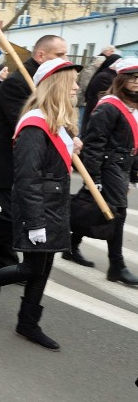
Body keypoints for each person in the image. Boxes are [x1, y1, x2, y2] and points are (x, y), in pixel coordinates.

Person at [0, 58, 83, 350]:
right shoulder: (34, 124)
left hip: (54, 206)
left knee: (43, 270)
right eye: (71, 82)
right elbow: (27, 178)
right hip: (39, 209)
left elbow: (54, 167)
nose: (77, 87)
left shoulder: (56, 124)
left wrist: (73, 145)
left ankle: (28, 322)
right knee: (30, 269)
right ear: (56, 86)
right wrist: (36, 222)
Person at [0, 35, 67, 271]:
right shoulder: (17, 82)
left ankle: (5, 261)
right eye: (60, 55)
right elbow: (26, 124)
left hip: (33, 165)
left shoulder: (46, 82)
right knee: (11, 215)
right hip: (13, 164)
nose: (65, 60)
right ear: (41, 55)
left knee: (12, 215)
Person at [66, 58, 138, 286]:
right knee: (117, 215)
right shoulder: (109, 106)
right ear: (121, 79)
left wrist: (133, 175)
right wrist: (94, 178)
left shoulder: (133, 106)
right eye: (133, 77)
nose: (137, 82)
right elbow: (95, 144)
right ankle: (117, 265)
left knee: (93, 209)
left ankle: (70, 245)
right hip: (109, 168)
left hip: (121, 168)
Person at [84, 52, 122, 136]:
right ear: (112, 64)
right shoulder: (104, 76)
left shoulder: (111, 75)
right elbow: (104, 94)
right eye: (118, 62)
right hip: (96, 107)